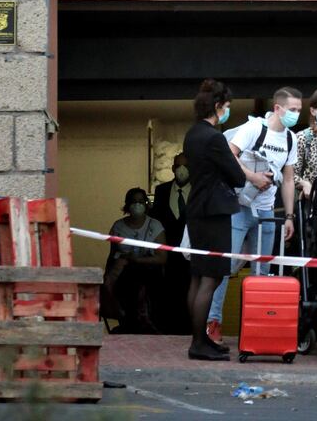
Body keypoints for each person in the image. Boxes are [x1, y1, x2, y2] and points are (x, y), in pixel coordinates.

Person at [205, 86, 300, 345]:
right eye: (292, 109)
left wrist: (289, 216)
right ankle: (213, 322)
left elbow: (289, 179)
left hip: (267, 211)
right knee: (225, 267)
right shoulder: (254, 129)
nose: (296, 114)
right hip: (239, 206)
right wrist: (253, 177)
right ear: (277, 108)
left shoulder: (291, 139)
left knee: (262, 271)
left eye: (299, 110)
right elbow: (229, 156)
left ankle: (257, 326)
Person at [183, 78, 247, 361]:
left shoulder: (192, 134)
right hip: (215, 212)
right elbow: (238, 176)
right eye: (227, 107)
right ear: (219, 106)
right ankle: (199, 343)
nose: (228, 111)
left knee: (198, 276)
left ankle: (200, 339)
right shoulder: (214, 137)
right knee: (212, 277)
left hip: (197, 209)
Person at [102, 187, 167, 333]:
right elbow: (112, 255)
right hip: (124, 272)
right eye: (133, 202)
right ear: (127, 205)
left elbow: (162, 258)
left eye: (140, 201)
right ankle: (126, 321)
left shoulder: (155, 226)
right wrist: (107, 275)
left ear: (146, 204)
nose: (137, 205)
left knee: (139, 280)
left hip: (149, 270)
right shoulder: (118, 227)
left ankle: (144, 321)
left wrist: (138, 260)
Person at [152, 153, 192, 334]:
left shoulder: (200, 190)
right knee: (168, 292)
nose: (181, 170)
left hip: (192, 253)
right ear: (173, 168)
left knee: (190, 290)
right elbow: (156, 221)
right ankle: (168, 329)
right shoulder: (162, 191)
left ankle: (190, 328)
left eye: (185, 166)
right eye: (178, 166)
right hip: (167, 253)